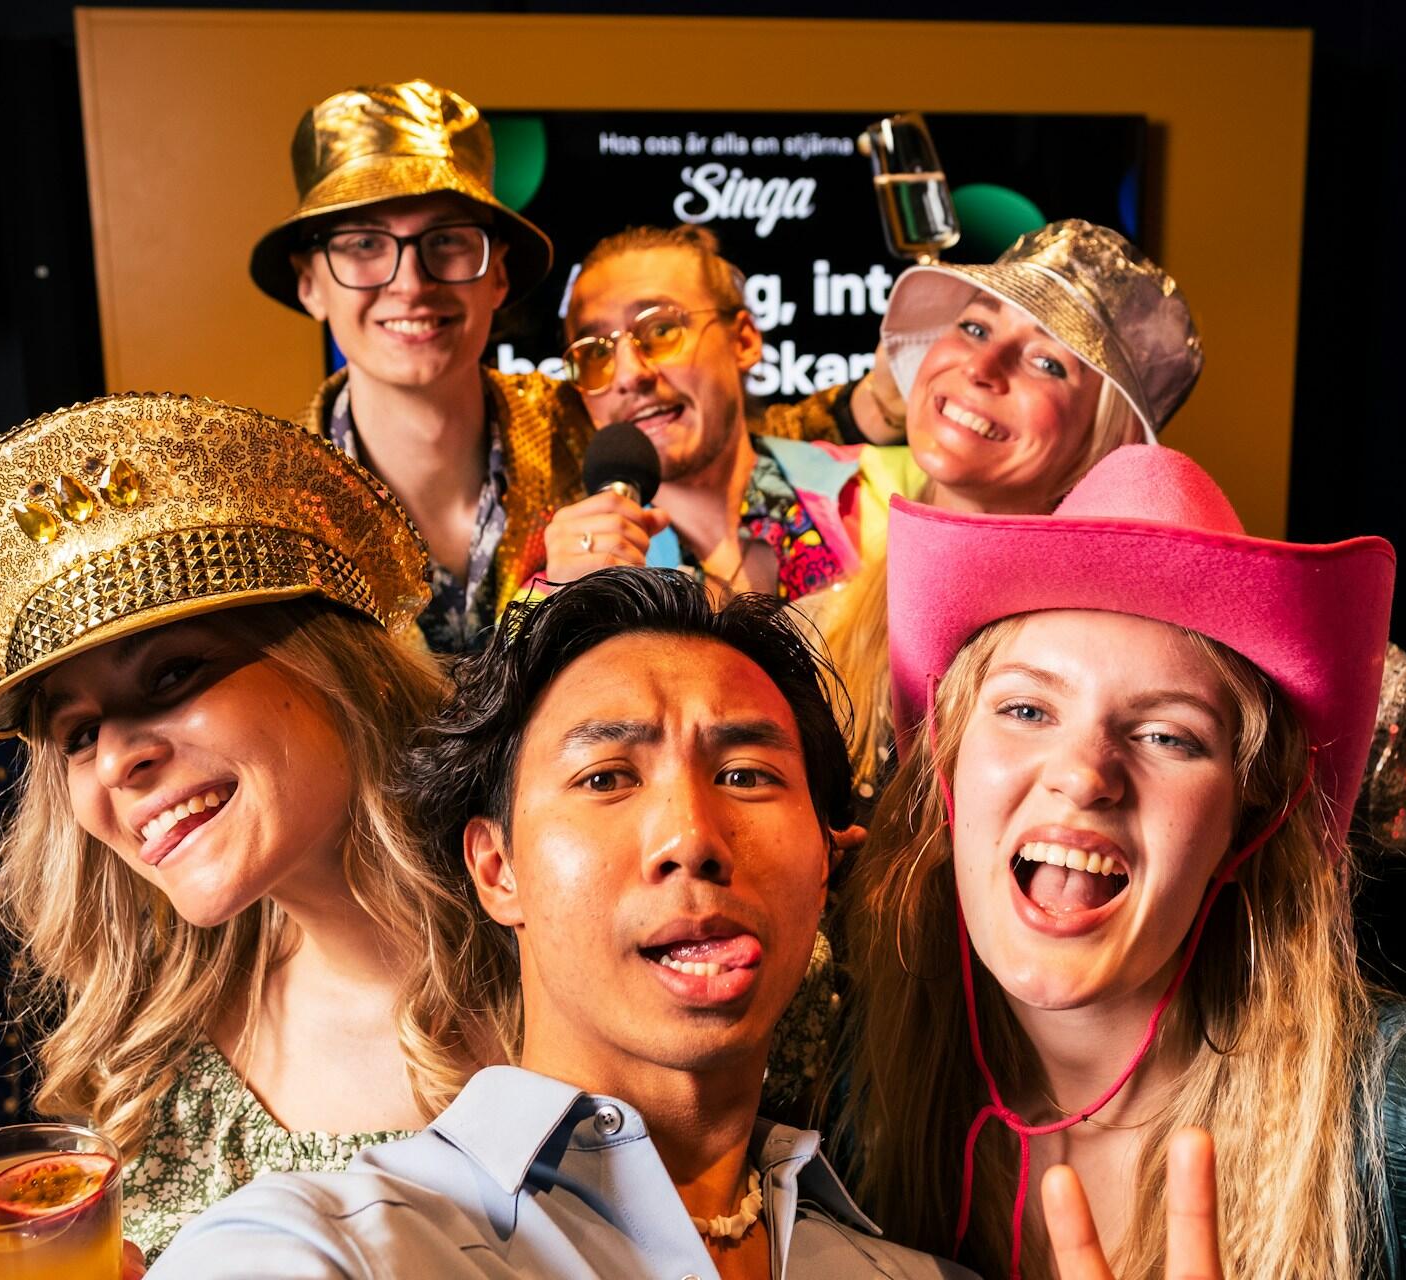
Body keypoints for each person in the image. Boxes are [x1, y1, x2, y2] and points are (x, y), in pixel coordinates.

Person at [843, 443, 1406, 1280]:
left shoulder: (1400, 1125)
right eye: (1026, 710)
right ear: (944, 767)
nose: (1084, 775)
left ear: (1247, 826)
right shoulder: (856, 1079)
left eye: (1168, 735)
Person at [148, 569, 968, 1278]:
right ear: (497, 870)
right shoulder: (336, 1243)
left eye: (746, 775)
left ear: (826, 860)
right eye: (607, 778)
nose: (692, 838)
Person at [821, 219, 1406, 871]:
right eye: (976, 327)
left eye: (1051, 363)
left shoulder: (1198, 645)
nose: (983, 367)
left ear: (1106, 432)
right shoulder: (814, 602)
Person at [0, 393, 512, 1264]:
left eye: (171, 676)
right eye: (76, 734)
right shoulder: (155, 1059)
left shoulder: (586, 971)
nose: (115, 760)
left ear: (339, 665)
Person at [254, 88, 849, 650]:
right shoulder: (273, 512)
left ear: (499, 275)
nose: (410, 283)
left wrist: (874, 404)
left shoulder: (580, 425)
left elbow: (737, 439)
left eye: (447, 241)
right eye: (363, 244)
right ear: (309, 283)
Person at [540, 225, 880, 600]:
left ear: (744, 341)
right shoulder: (561, 587)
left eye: (662, 330)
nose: (629, 374)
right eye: (596, 353)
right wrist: (570, 612)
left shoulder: (887, 493)